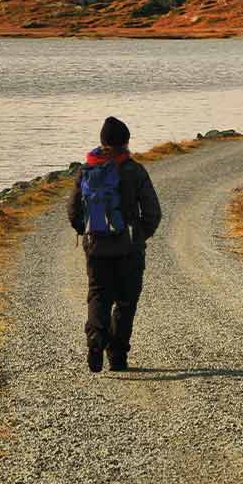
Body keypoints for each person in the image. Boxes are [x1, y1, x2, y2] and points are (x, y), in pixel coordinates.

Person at [68, 116, 162, 373]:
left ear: (102, 141)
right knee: (125, 302)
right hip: (129, 250)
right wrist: (139, 236)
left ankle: (96, 340)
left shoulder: (87, 170)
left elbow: (74, 211)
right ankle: (117, 357)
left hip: (96, 247)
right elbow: (153, 211)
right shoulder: (134, 170)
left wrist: (87, 233)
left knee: (98, 295)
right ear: (126, 141)